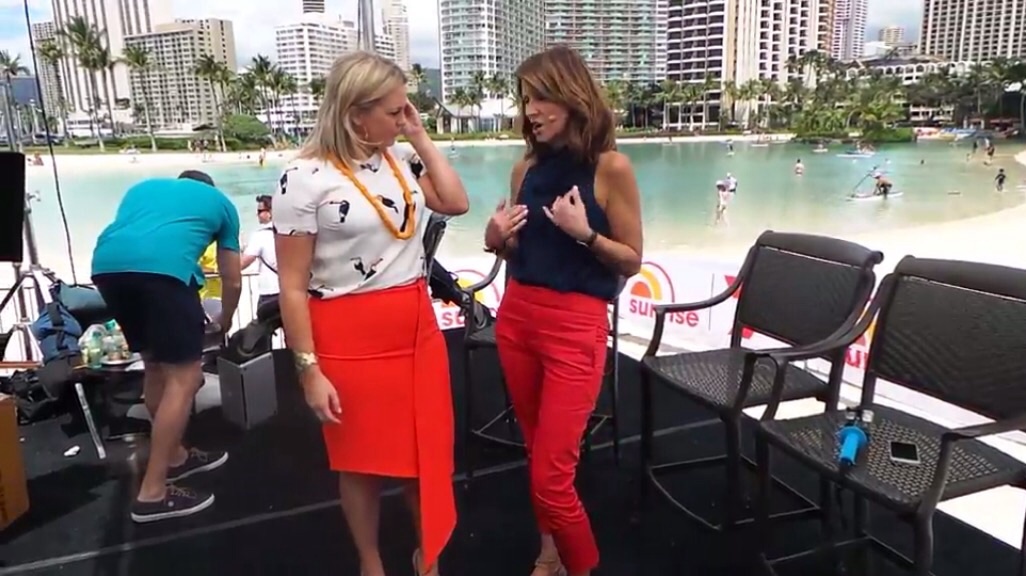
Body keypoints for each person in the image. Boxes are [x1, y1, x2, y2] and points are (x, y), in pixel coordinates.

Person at [273, 51, 469, 576]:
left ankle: (428, 558)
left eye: (406, 109)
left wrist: (419, 137)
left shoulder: (400, 160)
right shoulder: (303, 177)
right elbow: (292, 285)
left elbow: (455, 202)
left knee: (423, 457)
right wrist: (308, 369)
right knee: (360, 462)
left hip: (415, 328)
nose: (403, 119)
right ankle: (370, 561)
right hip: (347, 335)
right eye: (394, 111)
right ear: (355, 114)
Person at [483, 45, 643, 576]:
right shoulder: (524, 169)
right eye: (525, 99)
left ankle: (581, 567)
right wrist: (497, 240)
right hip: (517, 319)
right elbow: (517, 252)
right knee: (537, 454)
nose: (530, 110)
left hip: (576, 327)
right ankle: (549, 552)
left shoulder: (611, 168)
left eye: (541, 98)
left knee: (553, 477)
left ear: (572, 98)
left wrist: (586, 235)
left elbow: (632, 260)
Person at [91, 170, 242, 523]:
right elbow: (233, 279)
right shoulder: (221, 203)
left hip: (107, 269)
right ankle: (153, 493)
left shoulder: (142, 187)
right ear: (209, 187)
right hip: (164, 274)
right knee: (185, 380)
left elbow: (139, 232)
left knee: (155, 365)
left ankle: (175, 455)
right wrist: (226, 320)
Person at [241, 195, 279, 309]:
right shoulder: (288, 232)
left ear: (270, 212)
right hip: (290, 291)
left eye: (260, 211)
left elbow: (243, 263)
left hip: (270, 292)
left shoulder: (260, 235)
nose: (257, 215)